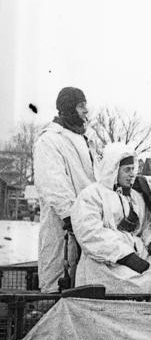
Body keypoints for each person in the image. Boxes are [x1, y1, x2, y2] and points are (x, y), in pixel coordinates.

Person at [71, 143, 151, 293]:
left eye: (133, 169)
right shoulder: (92, 195)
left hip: (137, 252)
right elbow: (90, 233)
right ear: (113, 170)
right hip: (106, 259)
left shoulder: (135, 197)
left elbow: (145, 226)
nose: (132, 174)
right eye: (127, 170)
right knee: (130, 283)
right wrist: (125, 256)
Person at [32, 87, 96, 292]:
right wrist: (71, 218)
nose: (86, 110)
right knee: (57, 281)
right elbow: (53, 184)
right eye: (81, 105)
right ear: (68, 108)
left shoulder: (84, 139)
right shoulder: (50, 140)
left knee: (82, 284)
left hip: (86, 222)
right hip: (63, 226)